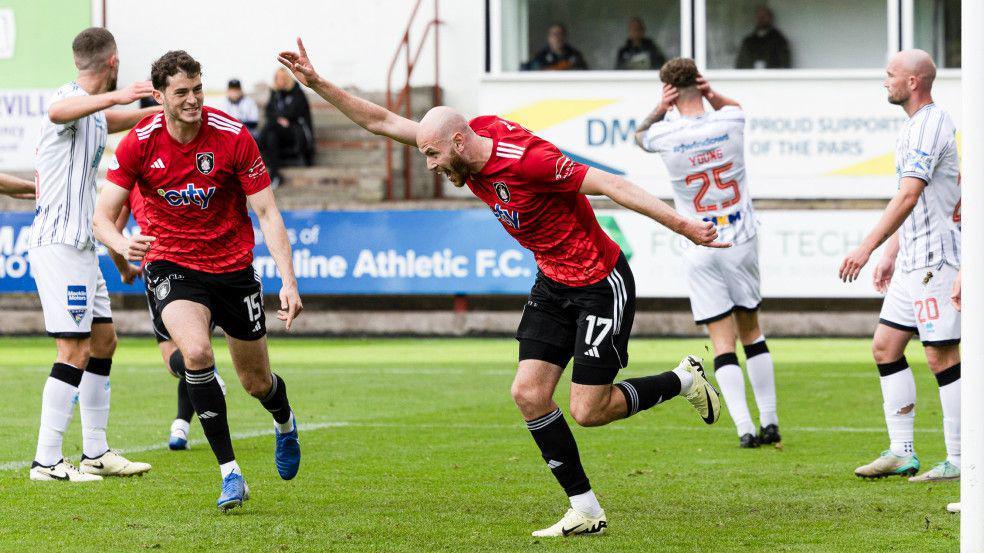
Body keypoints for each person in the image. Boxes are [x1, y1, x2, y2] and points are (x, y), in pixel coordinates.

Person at [280, 37, 724, 537]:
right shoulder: (463, 141)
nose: (429, 163)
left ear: (459, 144)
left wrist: (682, 225)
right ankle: (586, 510)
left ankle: (683, 379)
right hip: (553, 282)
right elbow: (383, 122)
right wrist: (318, 84)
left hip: (600, 280)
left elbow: (610, 185)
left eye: (432, 154)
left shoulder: (530, 161)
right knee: (529, 394)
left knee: (588, 410)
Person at [93, 50, 304, 511]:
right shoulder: (139, 141)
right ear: (159, 96)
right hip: (172, 265)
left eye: (196, 90)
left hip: (232, 268)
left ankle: (284, 420)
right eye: (181, 93)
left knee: (256, 382)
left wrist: (288, 281)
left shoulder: (231, 136)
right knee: (196, 353)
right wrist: (121, 242)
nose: (192, 100)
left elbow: (267, 213)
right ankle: (231, 474)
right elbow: (102, 217)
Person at [27, 27, 157, 483]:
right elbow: (58, 110)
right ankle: (46, 461)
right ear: (113, 61)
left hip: (82, 245)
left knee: (104, 342)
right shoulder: (69, 99)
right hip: (59, 244)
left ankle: (96, 452)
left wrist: (154, 109)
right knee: (74, 349)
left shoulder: (97, 115)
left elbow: (113, 122)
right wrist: (120, 96)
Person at [635, 58, 779, 449]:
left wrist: (659, 108)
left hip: (699, 241)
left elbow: (639, 135)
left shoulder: (665, 134)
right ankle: (770, 422)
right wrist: (712, 93)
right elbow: (735, 107)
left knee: (721, 341)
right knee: (751, 329)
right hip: (741, 238)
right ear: (699, 83)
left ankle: (745, 428)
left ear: (668, 91)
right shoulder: (729, 121)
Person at [839, 49, 960, 483]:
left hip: (937, 259)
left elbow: (910, 195)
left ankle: (961, 459)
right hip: (912, 259)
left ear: (913, 82)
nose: (885, 81)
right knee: (886, 347)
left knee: (941, 355)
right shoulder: (912, 126)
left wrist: (867, 247)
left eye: (891, 74)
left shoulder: (930, 124)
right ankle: (902, 451)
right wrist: (891, 252)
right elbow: (910, 200)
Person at [107, 185, 227, 451]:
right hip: (202, 261)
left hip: (161, 266)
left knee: (178, 354)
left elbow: (110, 228)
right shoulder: (185, 159)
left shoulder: (133, 168)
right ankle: (181, 426)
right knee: (196, 346)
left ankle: (203, 385)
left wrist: (124, 269)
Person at [258, 68, 314, 186]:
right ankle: (275, 176)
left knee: (269, 128)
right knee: (271, 136)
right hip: (278, 133)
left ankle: (258, 144)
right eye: (278, 78)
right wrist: (280, 119)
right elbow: (268, 112)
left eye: (283, 78)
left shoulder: (297, 92)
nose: (280, 81)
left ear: (288, 78)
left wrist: (280, 118)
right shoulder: (275, 93)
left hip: (295, 133)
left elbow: (294, 113)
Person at [522, 24, 588, 71]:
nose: (557, 38)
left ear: (565, 37)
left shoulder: (574, 54)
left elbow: (584, 72)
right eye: (554, 34)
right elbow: (535, 73)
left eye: (560, 34)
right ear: (549, 38)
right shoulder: (541, 55)